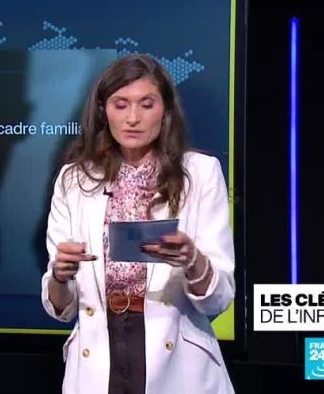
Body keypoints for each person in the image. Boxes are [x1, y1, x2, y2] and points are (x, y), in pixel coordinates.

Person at [41, 54, 236, 394]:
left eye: (147, 105)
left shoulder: (201, 174)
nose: (133, 118)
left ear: (166, 111)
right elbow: (61, 309)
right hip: (98, 357)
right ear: (103, 110)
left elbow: (218, 301)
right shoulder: (74, 180)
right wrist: (59, 275)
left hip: (178, 363)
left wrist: (192, 260)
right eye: (120, 105)